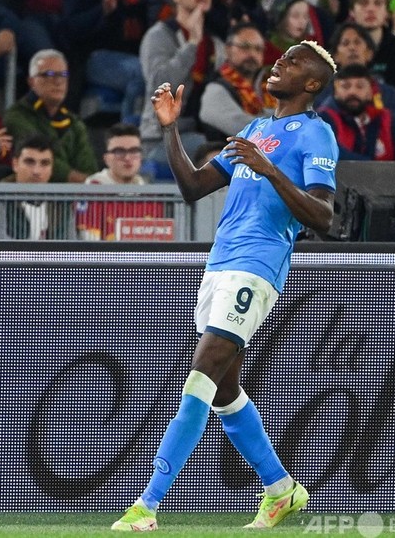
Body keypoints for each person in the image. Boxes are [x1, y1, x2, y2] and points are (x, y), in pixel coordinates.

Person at [111, 40, 338, 532]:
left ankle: (146, 505)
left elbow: (324, 215)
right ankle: (280, 488)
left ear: (311, 83)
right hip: (219, 263)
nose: (280, 62)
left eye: (293, 61)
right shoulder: (255, 129)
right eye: (283, 57)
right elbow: (193, 187)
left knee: (202, 372)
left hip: (257, 264)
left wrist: (269, 170)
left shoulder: (316, 134)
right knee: (223, 390)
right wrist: (170, 129)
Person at [138, 0, 219, 166]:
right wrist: (192, 43)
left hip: (199, 130)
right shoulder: (158, 35)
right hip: (160, 138)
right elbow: (159, 85)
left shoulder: (214, 42)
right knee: (212, 151)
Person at [3, 49, 97, 183]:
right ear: (31, 81)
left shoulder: (74, 122)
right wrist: (84, 182)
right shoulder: (17, 116)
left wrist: (89, 182)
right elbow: (37, 157)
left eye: (63, 75)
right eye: (49, 74)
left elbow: (89, 167)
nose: (58, 81)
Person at [317, 64, 395, 161]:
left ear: (370, 93)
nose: (352, 92)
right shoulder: (323, 120)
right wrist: (373, 169)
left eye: (360, 86)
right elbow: (328, 151)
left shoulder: (385, 119)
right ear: (335, 93)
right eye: (346, 86)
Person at [0, 133, 76, 241]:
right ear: (15, 164)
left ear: (52, 168)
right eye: (29, 162)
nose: (36, 171)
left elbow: (71, 246)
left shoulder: (61, 205)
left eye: (45, 163)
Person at [76, 122, 166, 241]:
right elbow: (90, 242)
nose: (127, 158)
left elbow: (158, 241)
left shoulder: (150, 195)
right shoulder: (92, 190)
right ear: (106, 158)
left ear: (141, 157)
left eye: (134, 151)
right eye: (119, 151)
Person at [200, 22, 276, 140]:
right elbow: (241, 128)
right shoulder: (216, 88)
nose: (252, 54)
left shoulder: (273, 83)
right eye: (245, 47)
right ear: (228, 50)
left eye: (258, 49)